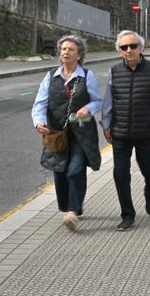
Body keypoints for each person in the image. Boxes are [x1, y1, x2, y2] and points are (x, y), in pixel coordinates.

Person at [101, 30, 150, 231]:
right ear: (119, 51)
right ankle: (127, 215)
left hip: (146, 133)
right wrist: (105, 125)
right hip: (120, 134)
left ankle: (149, 194)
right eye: (124, 47)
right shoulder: (113, 72)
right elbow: (108, 101)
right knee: (120, 174)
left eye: (133, 46)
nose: (129, 50)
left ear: (141, 48)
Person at [31, 35, 102, 232]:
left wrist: (88, 108)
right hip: (56, 134)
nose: (65, 52)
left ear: (79, 55)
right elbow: (40, 104)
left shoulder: (87, 76)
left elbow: (98, 101)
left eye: (70, 49)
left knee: (75, 169)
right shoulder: (50, 76)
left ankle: (71, 211)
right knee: (60, 171)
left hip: (81, 132)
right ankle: (70, 206)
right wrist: (39, 123)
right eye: (63, 49)